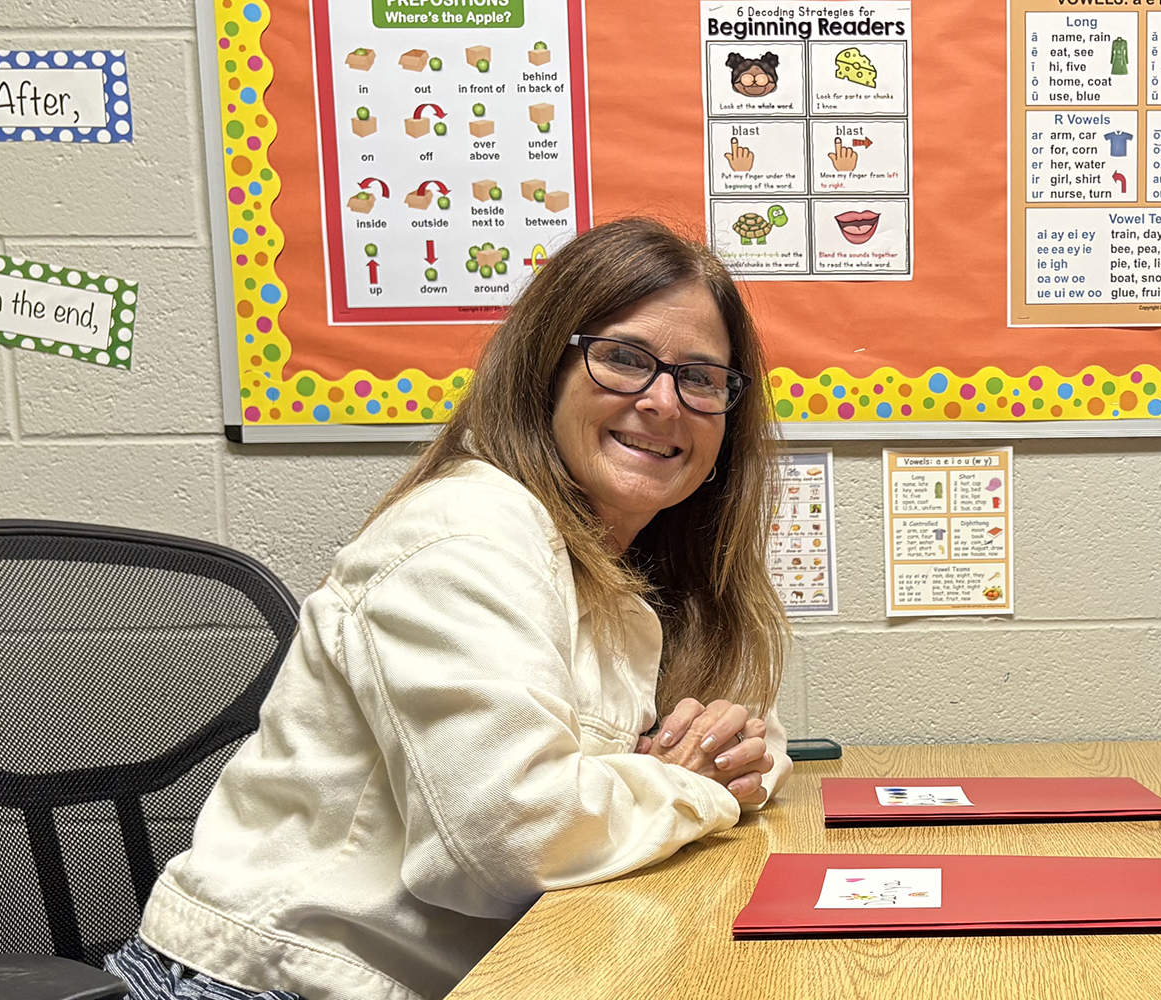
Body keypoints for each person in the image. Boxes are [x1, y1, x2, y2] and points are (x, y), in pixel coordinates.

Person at [111, 218, 792, 1000]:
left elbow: (741, 731)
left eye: (701, 378)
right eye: (624, 359)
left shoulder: (626, 567)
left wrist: (728, 752)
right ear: (544, 371)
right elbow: (508, 847)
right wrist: (697, 787)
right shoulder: (467, 537)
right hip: (273, 985)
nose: (663, 401)